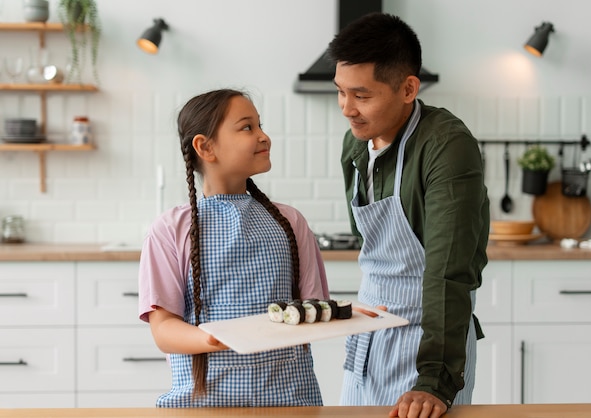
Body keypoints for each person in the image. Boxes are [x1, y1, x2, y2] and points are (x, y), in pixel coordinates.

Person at [327, 12, 490, 418]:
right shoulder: (355, 146)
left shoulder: (447, 146)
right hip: (367, 338)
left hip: (429, 345)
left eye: (361, 95)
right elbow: (371, 248)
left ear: (408, 88)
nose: (347, 109)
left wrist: (434, 381)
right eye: (340, 92)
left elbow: (449, 271)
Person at [138, 89, 329, 407]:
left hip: (292, 401)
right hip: (203, 405)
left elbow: (313, 311)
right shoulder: (171, 229)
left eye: (260, 125)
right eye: (247, 127)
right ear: (205, 147)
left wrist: (350, 313)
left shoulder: (290, 222)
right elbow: (164, 330)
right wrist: (216, 339)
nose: (264, 136)